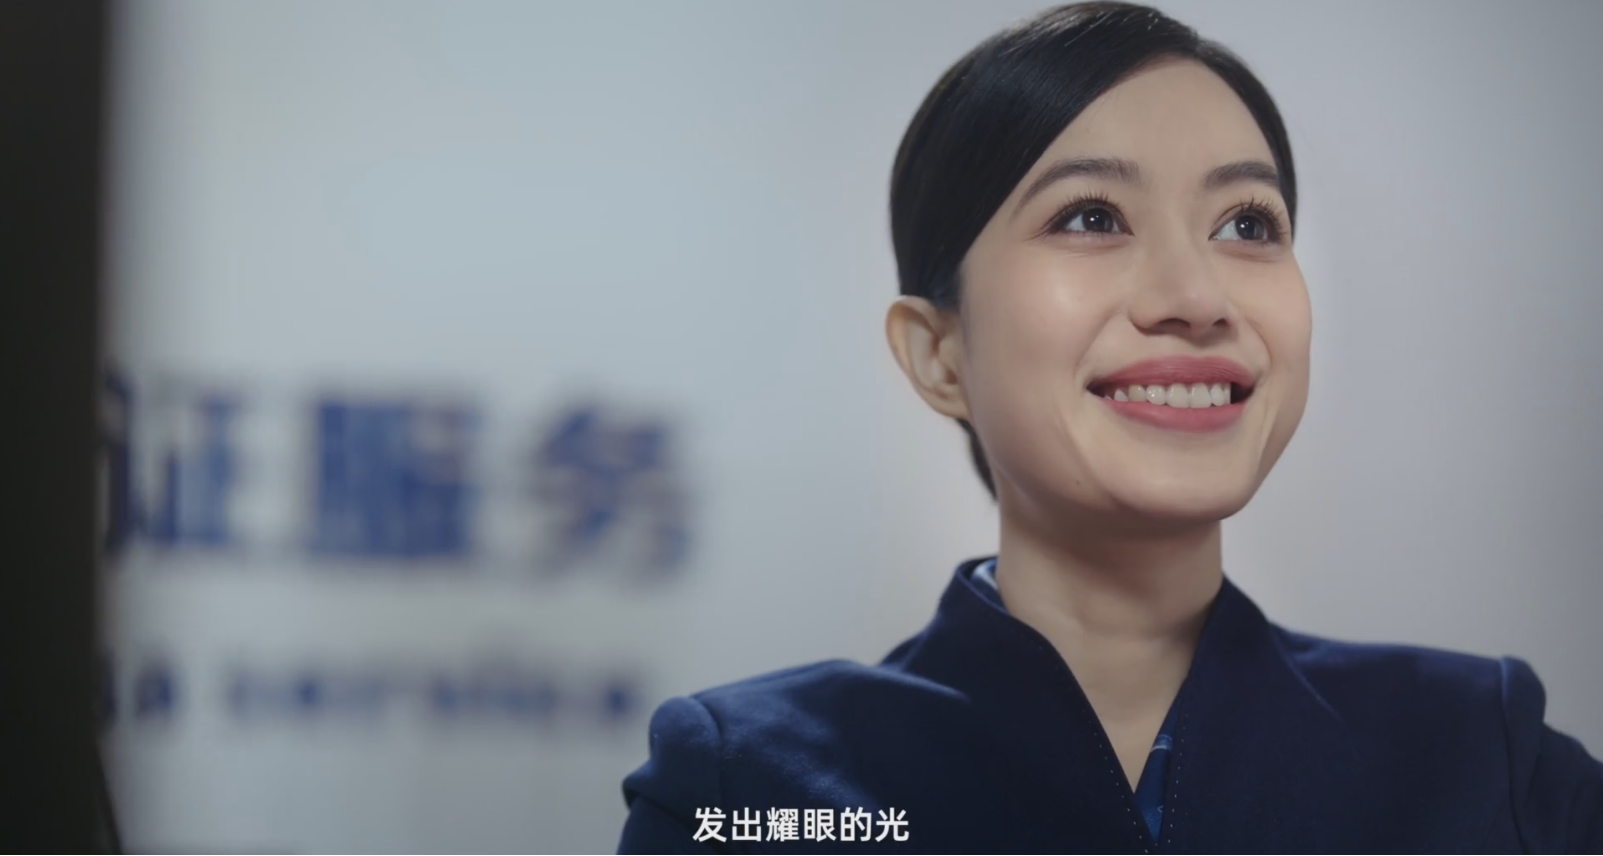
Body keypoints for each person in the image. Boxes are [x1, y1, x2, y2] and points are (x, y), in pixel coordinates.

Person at [615, 3, 1603, 853]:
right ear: (939, 354)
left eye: (1247, 224)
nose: (1194, 296)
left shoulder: (1479, 756)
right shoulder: (746, 782)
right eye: (1090, 217)